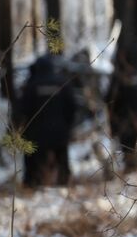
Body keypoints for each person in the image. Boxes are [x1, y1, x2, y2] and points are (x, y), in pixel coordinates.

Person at [13, 54, 86, 187]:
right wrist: (68, 126)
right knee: (62, 157)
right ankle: (64, 180)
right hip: (60, 132)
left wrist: (22, 128)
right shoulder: (62, 84)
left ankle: (31, 182)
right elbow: (73, 107)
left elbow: (22, 109)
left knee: (31, 157)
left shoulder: (31, 86)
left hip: (36, 133)